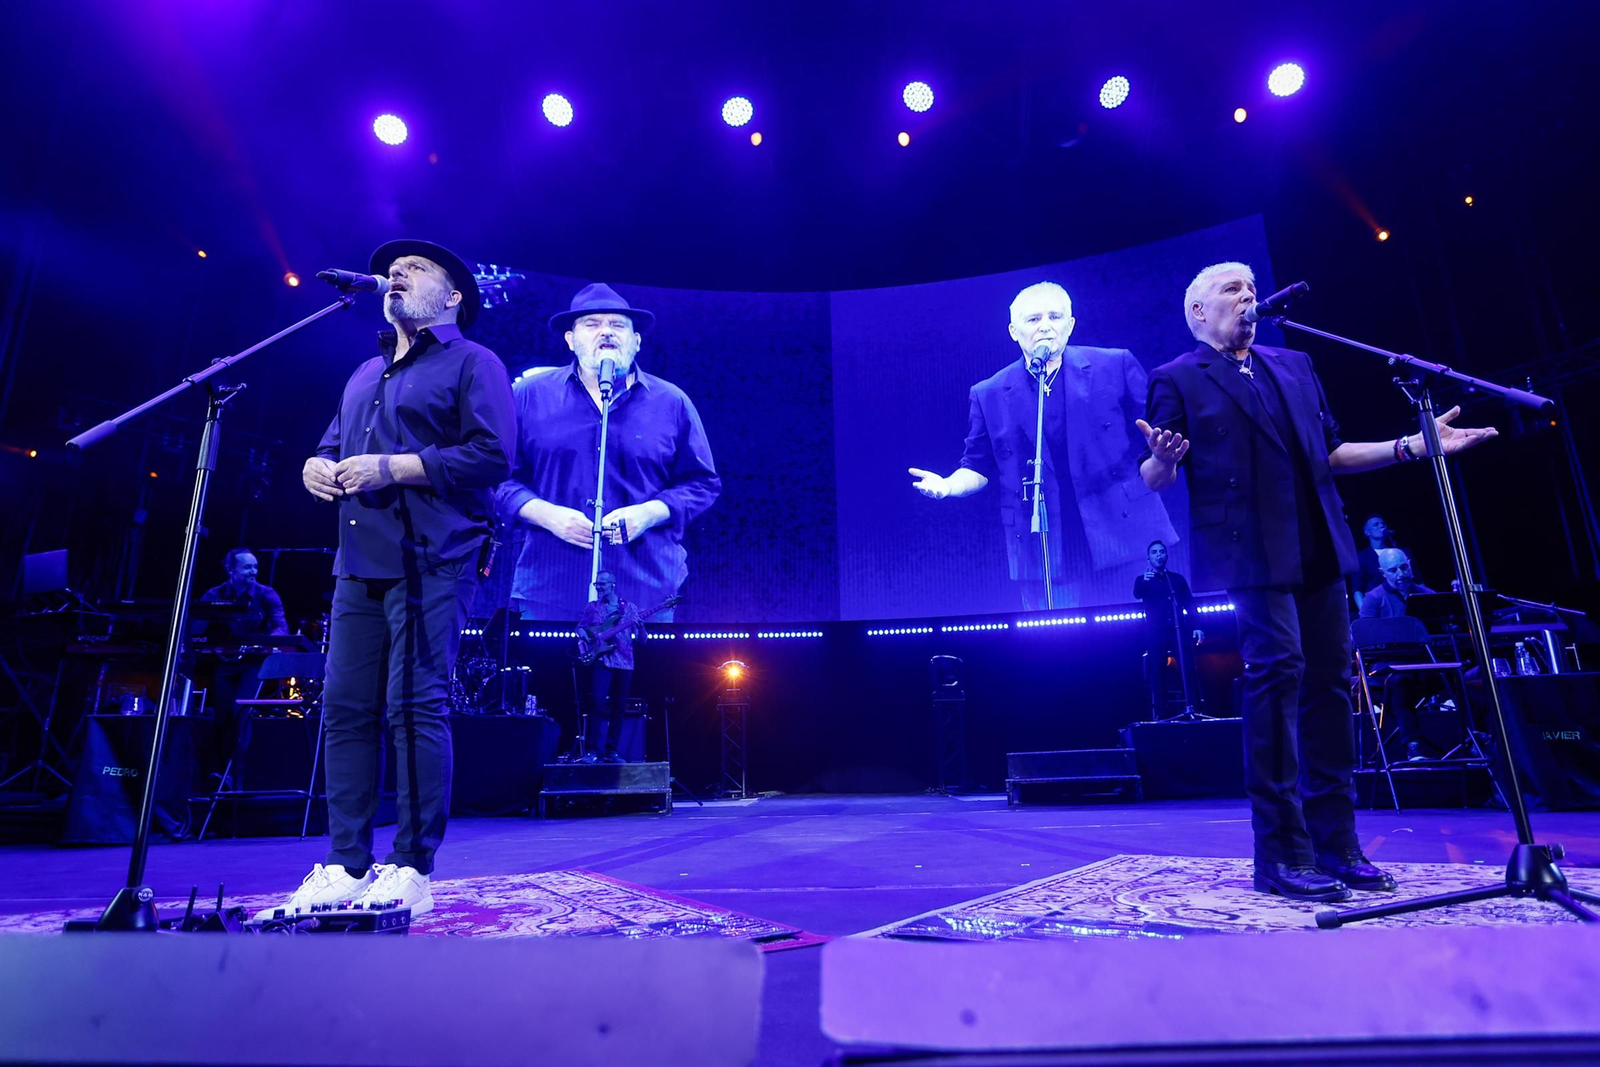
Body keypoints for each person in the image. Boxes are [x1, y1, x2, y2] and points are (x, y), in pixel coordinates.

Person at [1137, 261, 1497, 903]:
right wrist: (1163, 458)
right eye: (1230, 291)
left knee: (1331, 689)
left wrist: (1415, 446)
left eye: (1250, 289)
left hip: (1320, 545)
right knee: (1279, 675)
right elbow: (1155, 474)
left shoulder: (1294, 365)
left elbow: (1331, 454)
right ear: (1197, 312)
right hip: (1251, 552)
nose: (1247, 298)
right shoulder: (1178, 378)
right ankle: (1279, 853)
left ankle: (1337, 845)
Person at [260, 240, 515, 920]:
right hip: (358, 562)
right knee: (344, 709)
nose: (398, 271)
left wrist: (393, 467)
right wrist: (315, 467)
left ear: (454, 295)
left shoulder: (473, 362)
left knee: (415, 705)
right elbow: (331, 446)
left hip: (435, 556)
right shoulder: (364, 374)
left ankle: (412, 865)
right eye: (394, 268)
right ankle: (348, 862)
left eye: (419, 268)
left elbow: (493, 454)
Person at [910, 282, 1175, 610]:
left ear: (1070, 325)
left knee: (1139, 638)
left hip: (1122, 532)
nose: (1045, 326)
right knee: (1058, 649)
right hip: (1044, 546)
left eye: (1055, 316)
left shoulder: (1114, 365)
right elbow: (977, 465)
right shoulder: (989, 392)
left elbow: (1154, 433)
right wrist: (948, 486)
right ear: (1013, 330)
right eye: (1033, 319)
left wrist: (1162, 455)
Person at [496, 283, 720, 622]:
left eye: (618, 325)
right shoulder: (529, 396)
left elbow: (703, 483)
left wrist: (650, 512)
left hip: (646, 591)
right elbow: (495, 477)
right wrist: (548, 515)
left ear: (637, 341)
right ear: (570, 340)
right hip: (551, 585)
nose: (606, 332)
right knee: (549, 677)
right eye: (592, 324)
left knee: (651, 677)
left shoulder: (671, 402)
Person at [198, 547, 289, 786]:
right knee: (221, 716)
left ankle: (237, 777)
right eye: (248, 567)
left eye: (255, 566)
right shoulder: (214, 594)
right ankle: (219, 773)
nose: (254, 571)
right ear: (230, 569)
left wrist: (265, 643)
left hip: (252, 663)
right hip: (224, 663)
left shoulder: (266, 594)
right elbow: (196, 628)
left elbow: (281, 627)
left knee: (241, 712)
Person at [576, 571, 646, 763]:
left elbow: (643, 640)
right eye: (596, 584)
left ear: (613, 584)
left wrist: (640, 627)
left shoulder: (629, 608)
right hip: (602, 661)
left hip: (625, 663)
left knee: (619, 708)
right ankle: (591, 751)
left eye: (602, 584)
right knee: (596, 703)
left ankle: (611, 751)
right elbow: (580, 627)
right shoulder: (593, 607)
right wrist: (585, 636)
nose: (598, 588)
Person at [1132, 540, 1203, 716]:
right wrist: (1144, 582)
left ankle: (1193, 706)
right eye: (1154, 552)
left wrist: (1197, 626)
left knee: (1187, 668)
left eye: (1161, 552)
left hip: (1177, 629)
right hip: (1155, 631)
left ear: (1166, 556)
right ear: (1148, 558)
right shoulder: (1142, 580)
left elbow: (1189, 603)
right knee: (1157, 670)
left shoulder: (1176, 579)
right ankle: (1161, 712)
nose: (1159, 555)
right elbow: (1137, 594)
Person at [1359, 548, 1435, 619]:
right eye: (1393, 570)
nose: (1401, 574)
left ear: (1409, 565)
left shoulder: (1428, 594)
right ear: (1383, 573)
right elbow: (1366, 631)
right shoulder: (1373, 598)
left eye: (1404, 567)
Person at [1352, 515, 1400, 610]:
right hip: (1378, 608)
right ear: (1367, 532)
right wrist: (1365, 613)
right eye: (1376, 524)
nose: (1381, 526)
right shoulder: (1362, 557)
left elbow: (1418, 581)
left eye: (1383, 524)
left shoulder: (1399, 553)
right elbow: (1357, 589)